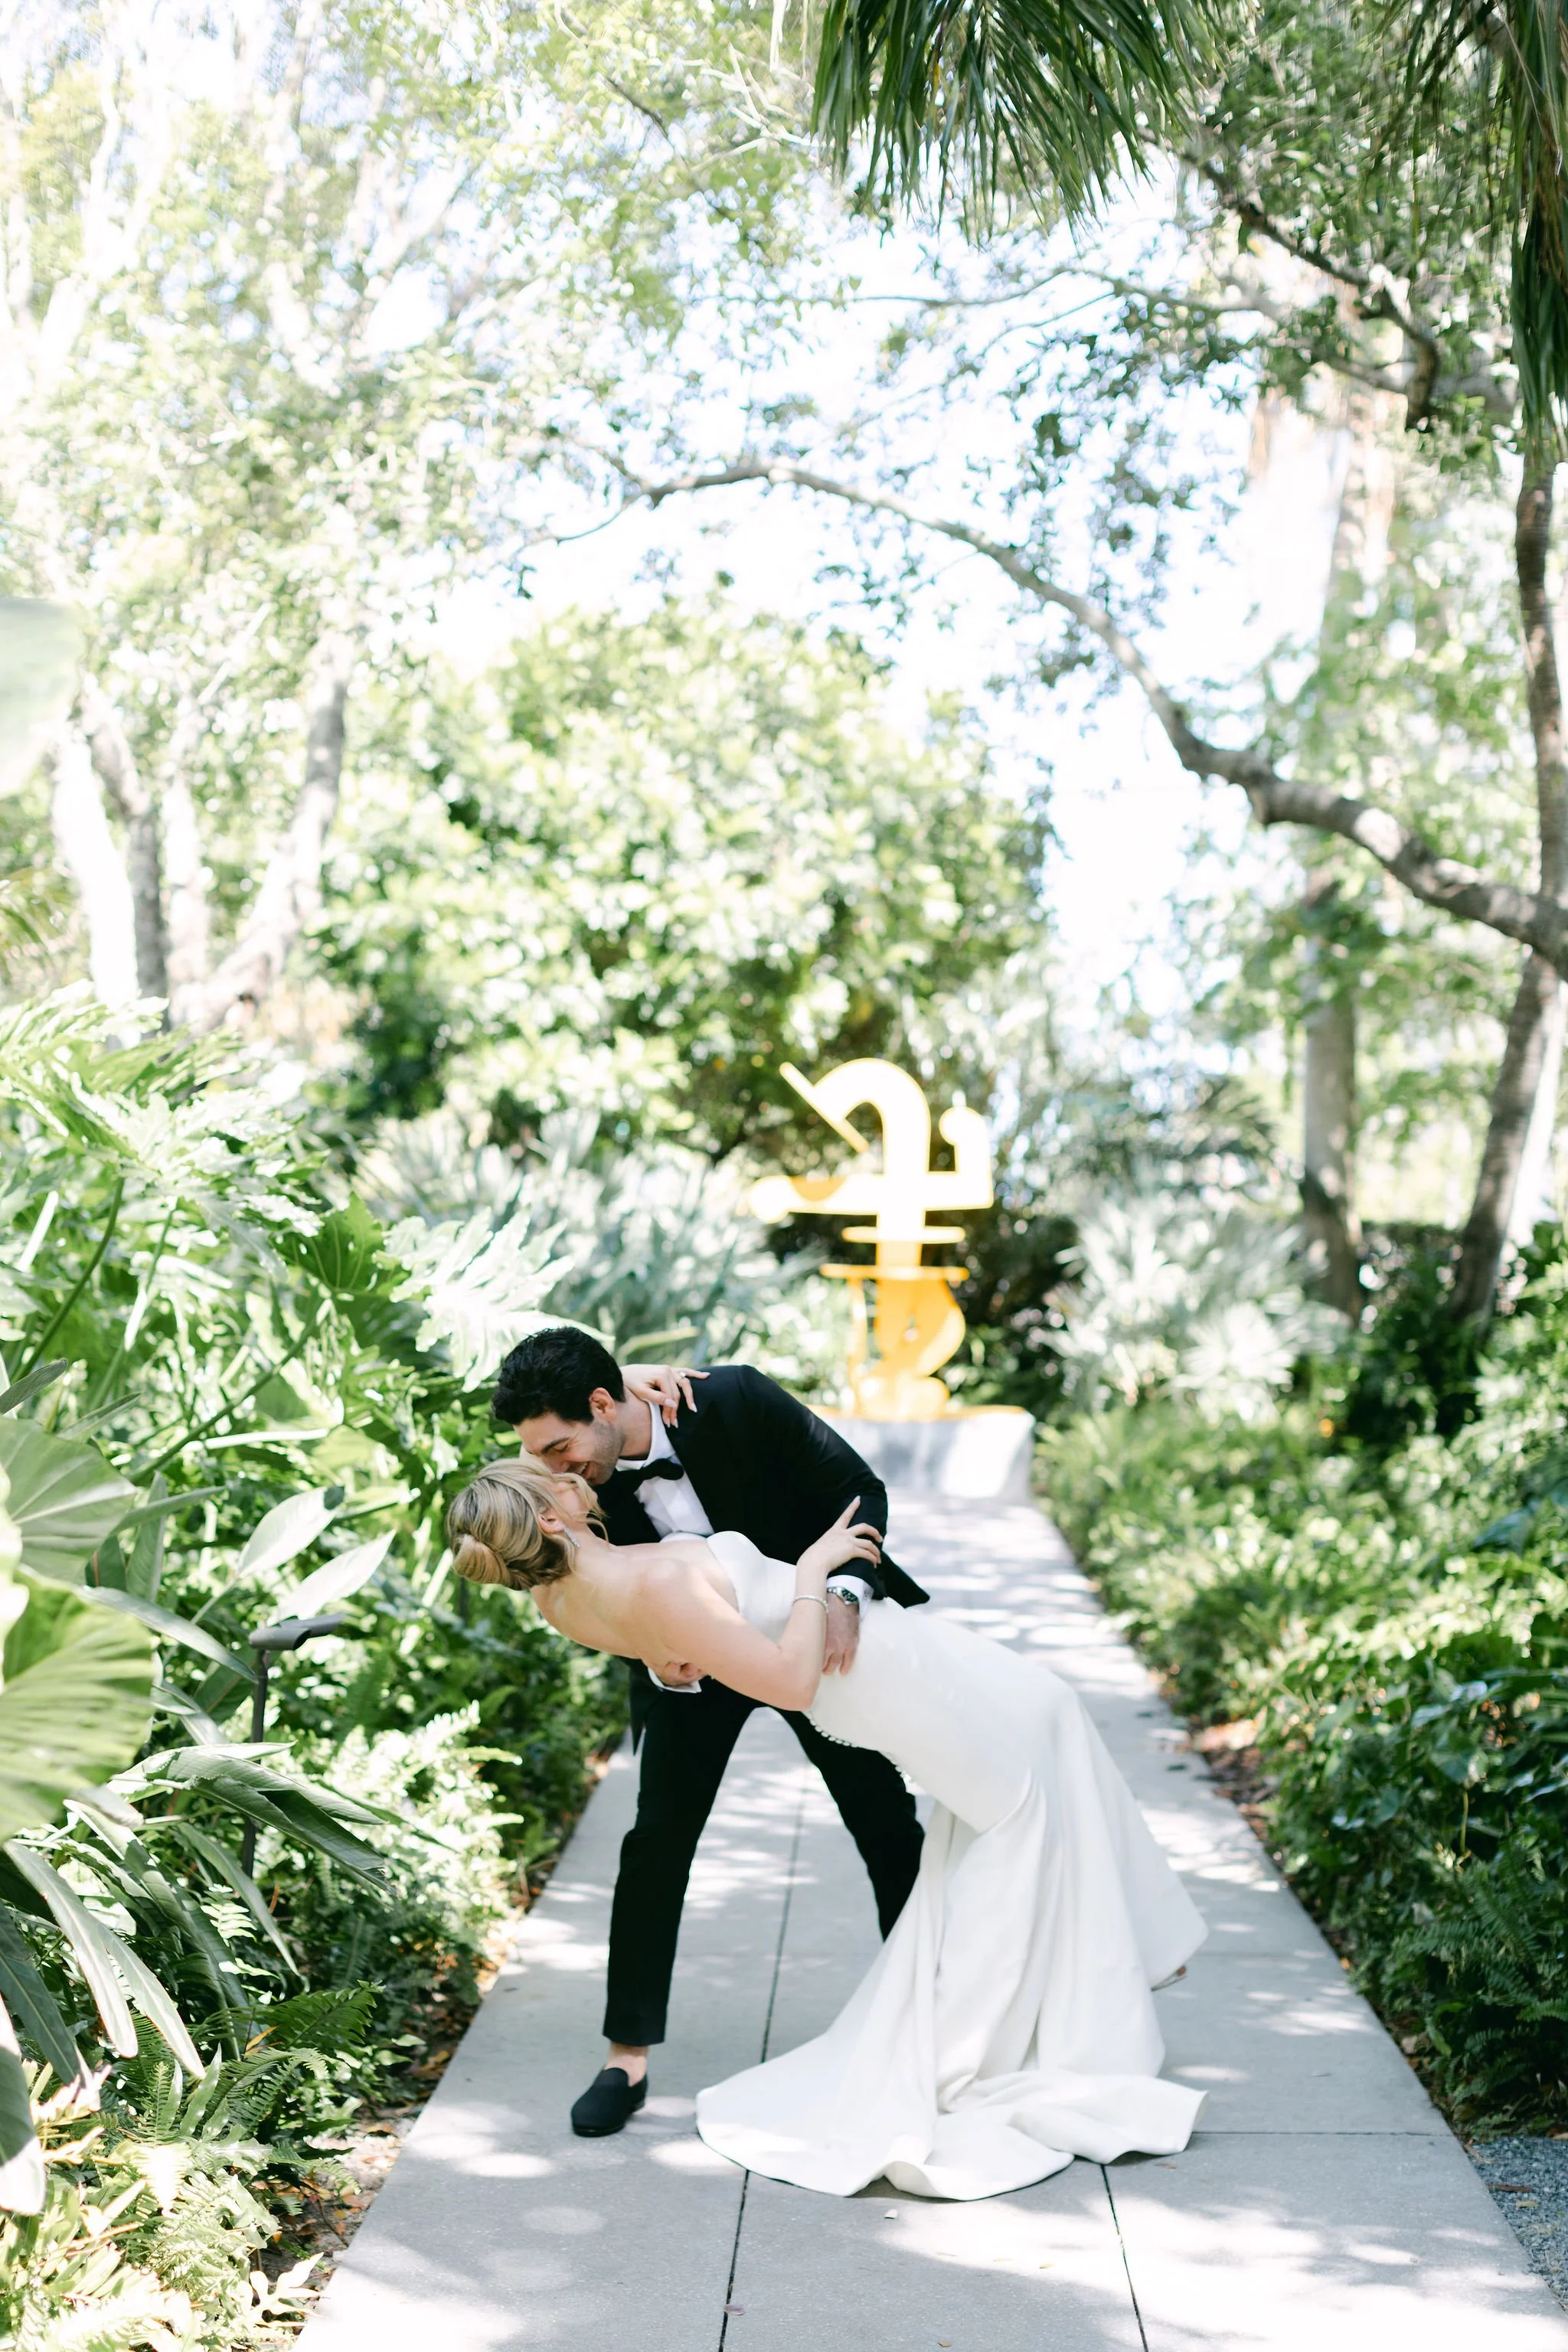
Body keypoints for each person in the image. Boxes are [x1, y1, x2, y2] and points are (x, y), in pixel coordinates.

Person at [445, 1452, 1210, 2202]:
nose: (572, 1477)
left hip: (892, 1646)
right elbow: (788, 1681)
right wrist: (812, 1572)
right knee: (1017, 1807)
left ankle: (1100, 1965)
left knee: (1046, 1717)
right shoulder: (663, 1577)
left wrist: (673, 1656)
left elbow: (667, 1649)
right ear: (546, 1516)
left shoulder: (557, 1603)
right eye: (554, 1480)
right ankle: (995, 2039)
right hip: (867, 1670)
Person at [488, 1328, 926, 2138]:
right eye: (539, 1457)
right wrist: (658, 1661)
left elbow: (856, 1488)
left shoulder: (732, 1398)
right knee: (655, 1841)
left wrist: (845, 1598)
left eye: (558, 1446)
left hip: (814, 1639)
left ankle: (925, 2016)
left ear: (598, 1404)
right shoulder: (571, 1495)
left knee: (883, 1818)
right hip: (686, 1673)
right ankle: (625, 2057)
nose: (553, 1470)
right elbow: (537, 1547)